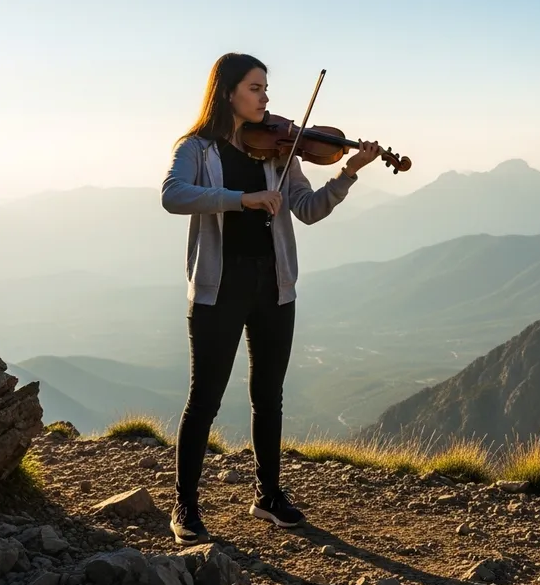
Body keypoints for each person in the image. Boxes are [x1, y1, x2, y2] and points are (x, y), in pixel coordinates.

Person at [160, 52, 381, 545]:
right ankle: (186, 507)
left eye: (265, 88)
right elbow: (173, 195)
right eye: (256, 87)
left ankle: (269, 496)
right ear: (228, 92)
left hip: (273, 285)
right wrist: (242, 199)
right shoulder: (196, 148)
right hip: (219, 288)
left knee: (269, 397)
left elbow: (306, 209)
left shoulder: (281, 150)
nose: (266, 97)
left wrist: (349, 174)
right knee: (204, 400)